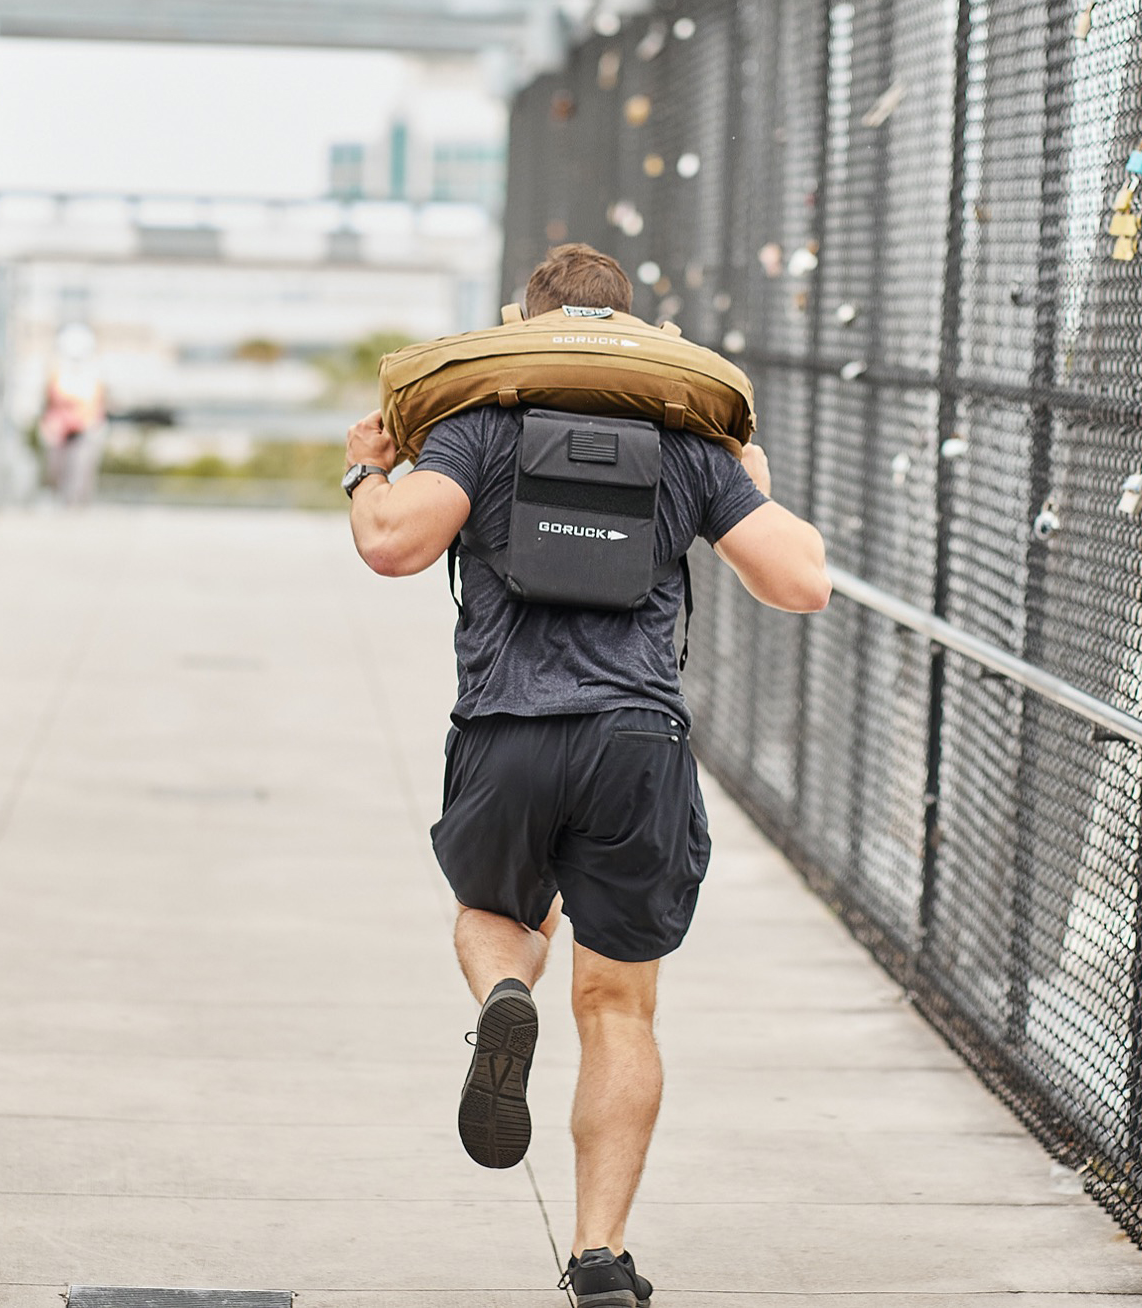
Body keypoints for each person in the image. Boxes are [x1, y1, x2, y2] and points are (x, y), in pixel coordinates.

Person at [343, 243, 831, 1307]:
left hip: (509, 732)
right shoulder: (685, 447)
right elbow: (801, 583)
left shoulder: (480, 429)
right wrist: (749, 485)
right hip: (635, 743)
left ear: (524, 325)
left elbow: (391, 546)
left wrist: (368, 468)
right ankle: (600, 1255)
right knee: (618, 1010)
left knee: (489, 916)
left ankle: (505, 993)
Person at [38, 322, 107, 507]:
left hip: (84, 430)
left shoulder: (93, 373)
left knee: (80, 474)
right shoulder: (56, 370)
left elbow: (93, 404)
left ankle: (74, 506)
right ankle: (58, 501)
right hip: (58, 432)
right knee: (56, 471)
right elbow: (54, 396)